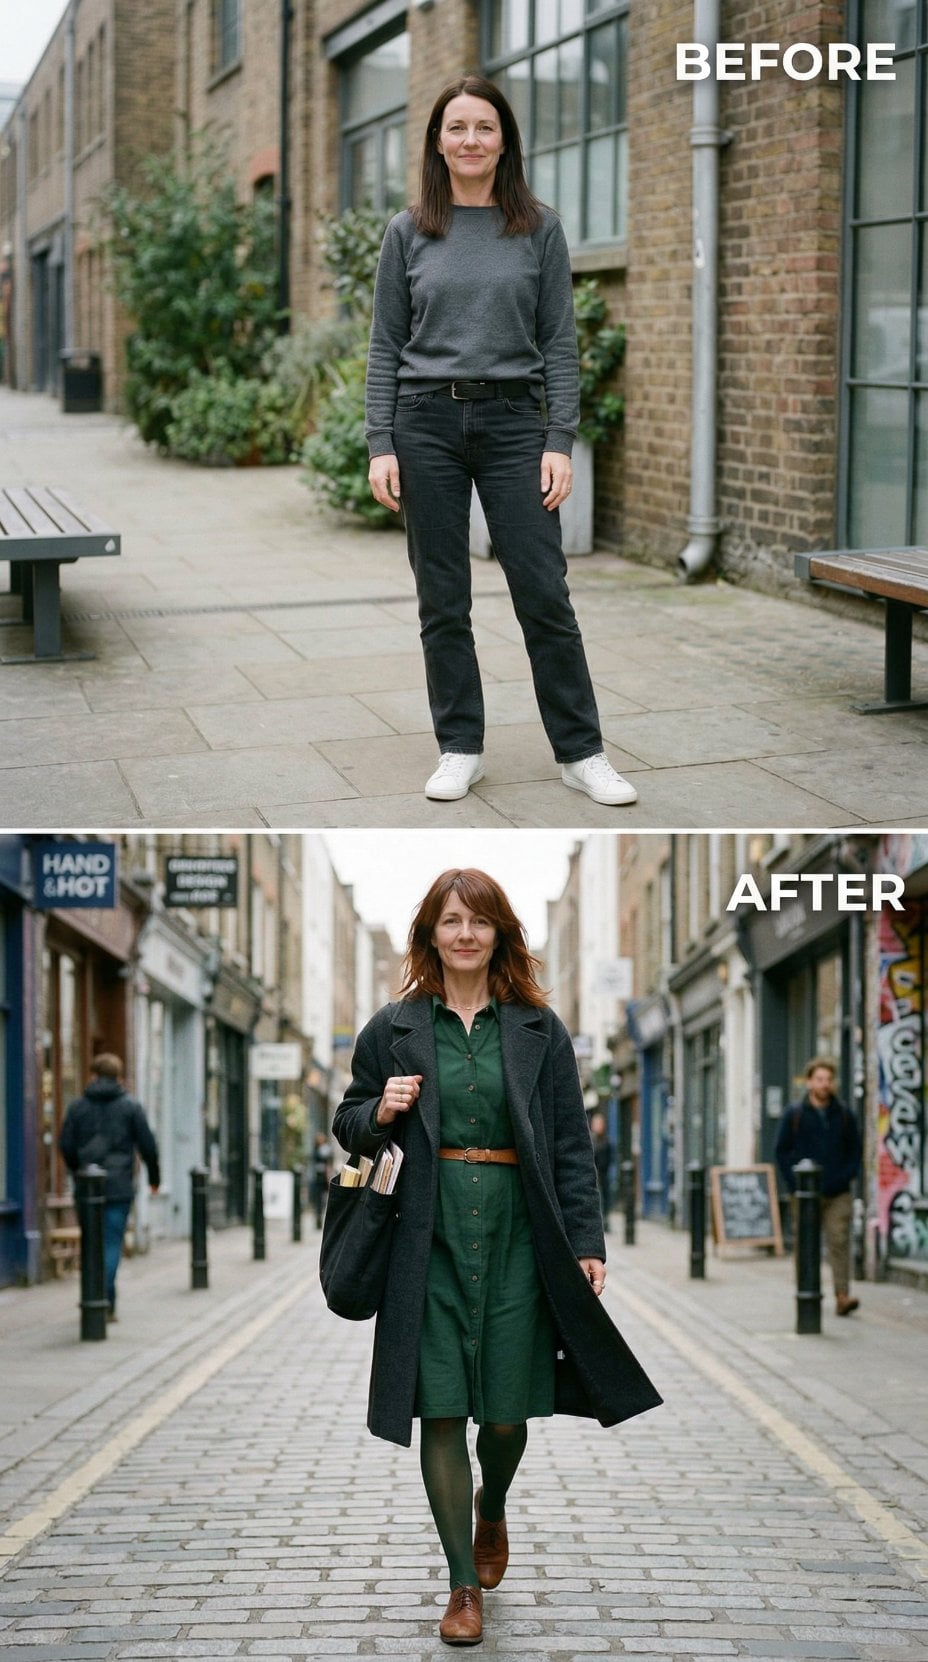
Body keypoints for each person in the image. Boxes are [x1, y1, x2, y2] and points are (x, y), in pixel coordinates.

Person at [332, 869, 661, 1646]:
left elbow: (572, 1146)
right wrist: (380, 1109)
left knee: (507, 1415)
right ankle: (460, 1585)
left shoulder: (539, 1029)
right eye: (451, 921)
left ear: (501, 933)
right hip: (429, 1235)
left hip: (519, 1236)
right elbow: (348, 1124)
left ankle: (492, 1506)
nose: (465, 934)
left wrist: (586, 1242)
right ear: (430, 935)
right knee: (440, 1406)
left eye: (479, 921)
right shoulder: (393, 1027)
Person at [365, 75, 638, 810]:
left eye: (485, 127)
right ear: (437, 141)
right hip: (425, 424)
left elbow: (559, 342)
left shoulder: (538, 229)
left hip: (517, 424)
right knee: (443, 599)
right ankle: (460, 748)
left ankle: (581, 753)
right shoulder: (408, 231)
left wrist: (559, 438)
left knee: (544, 592)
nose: (471, 140)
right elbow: (386, 344)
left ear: (505, 140)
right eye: (457, 128)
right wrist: (379, 442)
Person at [59, 1054, 160, 1320]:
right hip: (118, 1187)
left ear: (93, 1075)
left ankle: (94, 1301)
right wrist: (154, 1179)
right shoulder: (130, 1106)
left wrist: (78, 1169)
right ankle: (104, 1302)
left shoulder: (78, 1106)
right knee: (111, 1243)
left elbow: (66, 1145)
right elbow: (148, 1146)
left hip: (86, 1186)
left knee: (91, 1243)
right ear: (119, 1076)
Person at [775, 1056, 862, 1317]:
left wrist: (845, 1177)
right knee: (806, 1244)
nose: (825, 1084)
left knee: (838, 1240)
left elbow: (855, 1150)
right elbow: (781, 1151)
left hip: (838, 1192)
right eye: (819, 1079)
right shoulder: (795, 1114)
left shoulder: (844, 1114)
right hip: (804, 1193)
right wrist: (796, 1183)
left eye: (828, 1080)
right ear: (810, 1082)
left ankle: (842, 1295)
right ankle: (806, 1294)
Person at [589, 1111, 614, 1232]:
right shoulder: (590, 1141)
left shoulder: (607, 1141)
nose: (598, 1126)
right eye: (596, 1123)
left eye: (600, 1123)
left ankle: (605, 1221)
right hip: (593, 1176)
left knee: (605, 1198)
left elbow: (610, 1159)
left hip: (604, 1176)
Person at [311, 1130, 333, 1229]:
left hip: (324, 1177)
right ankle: (318, 1221)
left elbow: (328, 1164)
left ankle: (321, 1221)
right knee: (318, 1201)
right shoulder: (317, 1149)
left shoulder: (325, 1149)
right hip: (319, 1177)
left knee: (323, 1200)